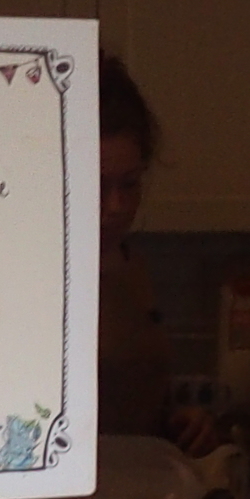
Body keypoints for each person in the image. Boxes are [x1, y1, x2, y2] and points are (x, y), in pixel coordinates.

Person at [97, 59, 220, 453]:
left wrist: (177, 422)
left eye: (129, 184)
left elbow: (131, 398)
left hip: (142, 483)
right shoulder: (31, 276)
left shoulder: (129, 264)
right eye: (96, 185)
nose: (116, 207)